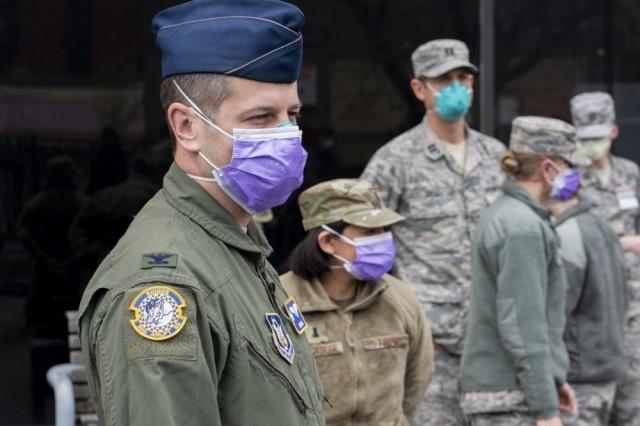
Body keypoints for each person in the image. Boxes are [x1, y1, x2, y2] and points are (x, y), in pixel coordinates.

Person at [78, 1, 325, 425]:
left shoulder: (233, 246)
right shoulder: (165, 283)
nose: (286, 135)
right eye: (261, 117)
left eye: (292, 115)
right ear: (186, 126)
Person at [360, 38, 505, 425]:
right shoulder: (394, 161)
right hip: (431, 349)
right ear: (419, 88)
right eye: (443, 80)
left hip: (495, 346)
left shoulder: (496, 157)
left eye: (463, 77)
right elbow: (358, 243)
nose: (456, 88)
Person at [281, 178, 434, 425]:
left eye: (384, 231)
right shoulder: (280, 300)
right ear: (328, 242)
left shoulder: (399, 299)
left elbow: (418, 378)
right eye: (370, 232)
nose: (383, 240)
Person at [460, 116, 579, 426]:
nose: (573, 174)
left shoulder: (511, 215)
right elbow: (524, 324)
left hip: (511, 393)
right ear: (547, 167)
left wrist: (553, 381)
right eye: (567, 164)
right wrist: (546, 408)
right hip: (511, 399)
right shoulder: (522, 226)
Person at [570, 92, 640, 425]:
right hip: (592, 306)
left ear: (613, 132)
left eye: (597, 137)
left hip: (633, 306)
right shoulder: (567, 181)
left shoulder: (630, 174)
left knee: (632, 404)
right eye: (585, 139)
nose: (591, 145)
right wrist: (623, 242)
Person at [547, 181, 628, 425]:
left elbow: (556, 310)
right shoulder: (602, 226)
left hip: (578, 378)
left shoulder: (566, 234)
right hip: (604, 370)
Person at [19, 156, 87, 337]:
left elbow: (25, 234)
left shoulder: (36, 203)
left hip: (45, 266)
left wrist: (44, 258)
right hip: (71, 266)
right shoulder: (83, 203)